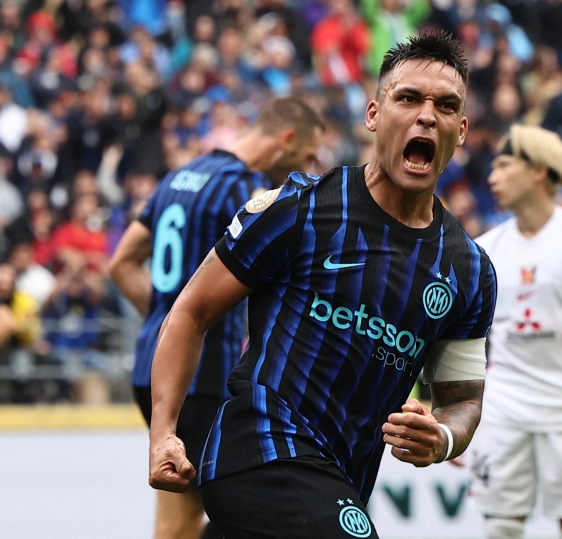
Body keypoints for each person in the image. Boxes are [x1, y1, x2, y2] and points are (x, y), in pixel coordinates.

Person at [147, 32, 497, 539]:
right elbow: (190, 311)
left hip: (340, 477)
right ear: (374, 114)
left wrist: (441, 437)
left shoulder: (469, 270)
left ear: (460, 130)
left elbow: (462, 400)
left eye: (445, 105)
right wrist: (163, 434)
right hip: (257, 449)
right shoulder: (299, 208)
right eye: (408, 98)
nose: (427, 116)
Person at [108, 96, 324, 539]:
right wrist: (188, 328)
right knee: (239, 512)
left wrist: (166, 325)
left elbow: (121, 263)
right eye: (305, 157)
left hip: (152, 368)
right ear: (285, 140)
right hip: (201, 375)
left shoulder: (180, 176)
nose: (304, 168)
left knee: (182, 513)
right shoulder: (244, 188)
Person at [469, 124, 562, 539]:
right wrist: (460, 415)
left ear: (538, 171)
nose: (492, 178)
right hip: (503, 408)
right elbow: (469, 339)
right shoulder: (485, 248)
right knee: (500, 527)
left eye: (504, 165)